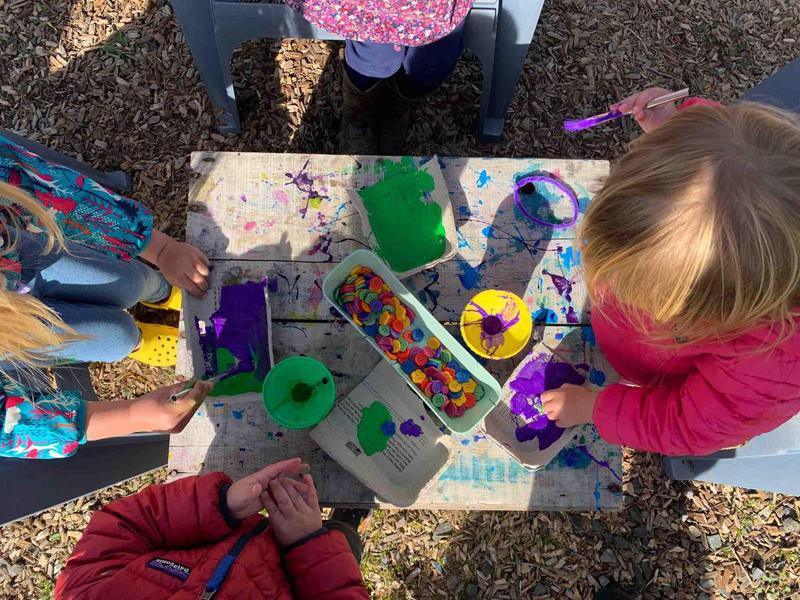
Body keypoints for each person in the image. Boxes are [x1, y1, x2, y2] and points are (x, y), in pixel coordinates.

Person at [540, 89, 800, 456]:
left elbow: (683, 424)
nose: (606, 286)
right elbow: (735, 155)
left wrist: (596, 408)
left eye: (636, 290)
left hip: (656, 374)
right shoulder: (755, 169)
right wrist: (676, 125)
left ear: (711, 315)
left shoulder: (771, 366)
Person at [0, 133, 212, 458]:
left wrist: (161, 249)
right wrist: (131, 415)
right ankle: (139, 337)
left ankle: (159, 291)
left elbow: (43, 186)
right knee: (117, 338)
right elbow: (8, 426)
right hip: (12, 337)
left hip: (18, 254)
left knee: (127, 281)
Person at [55, 457, 369, 599]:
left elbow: (121, 528)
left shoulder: (85, 594)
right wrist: (310, 542)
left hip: (228, 527)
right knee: (343, 539)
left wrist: (221, 504)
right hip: (307, 564)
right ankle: (347, 525)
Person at [284, 0, 474, 154]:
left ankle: (396, 108)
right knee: (374, 58)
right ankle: (358, 117)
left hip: (438, 8)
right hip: (371, 9)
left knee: (430, 63)